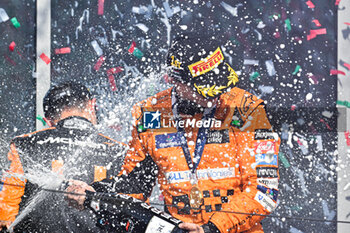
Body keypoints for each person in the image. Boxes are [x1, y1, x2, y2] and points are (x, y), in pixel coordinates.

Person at [67, 34, 281, 233]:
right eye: (205, 87)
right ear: (175, 80)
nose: (216, 93)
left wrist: (212, 229)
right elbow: (133, 187)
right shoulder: (149, 114)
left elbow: (264, 192)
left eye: (219, 84)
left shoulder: (249, 109)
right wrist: (94, 193)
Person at [0, 82, 127, 232]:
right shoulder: (120, 151)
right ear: (92, 105)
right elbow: (134, 209)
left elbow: (5, 211)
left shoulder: (24, 144)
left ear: (48, 121)